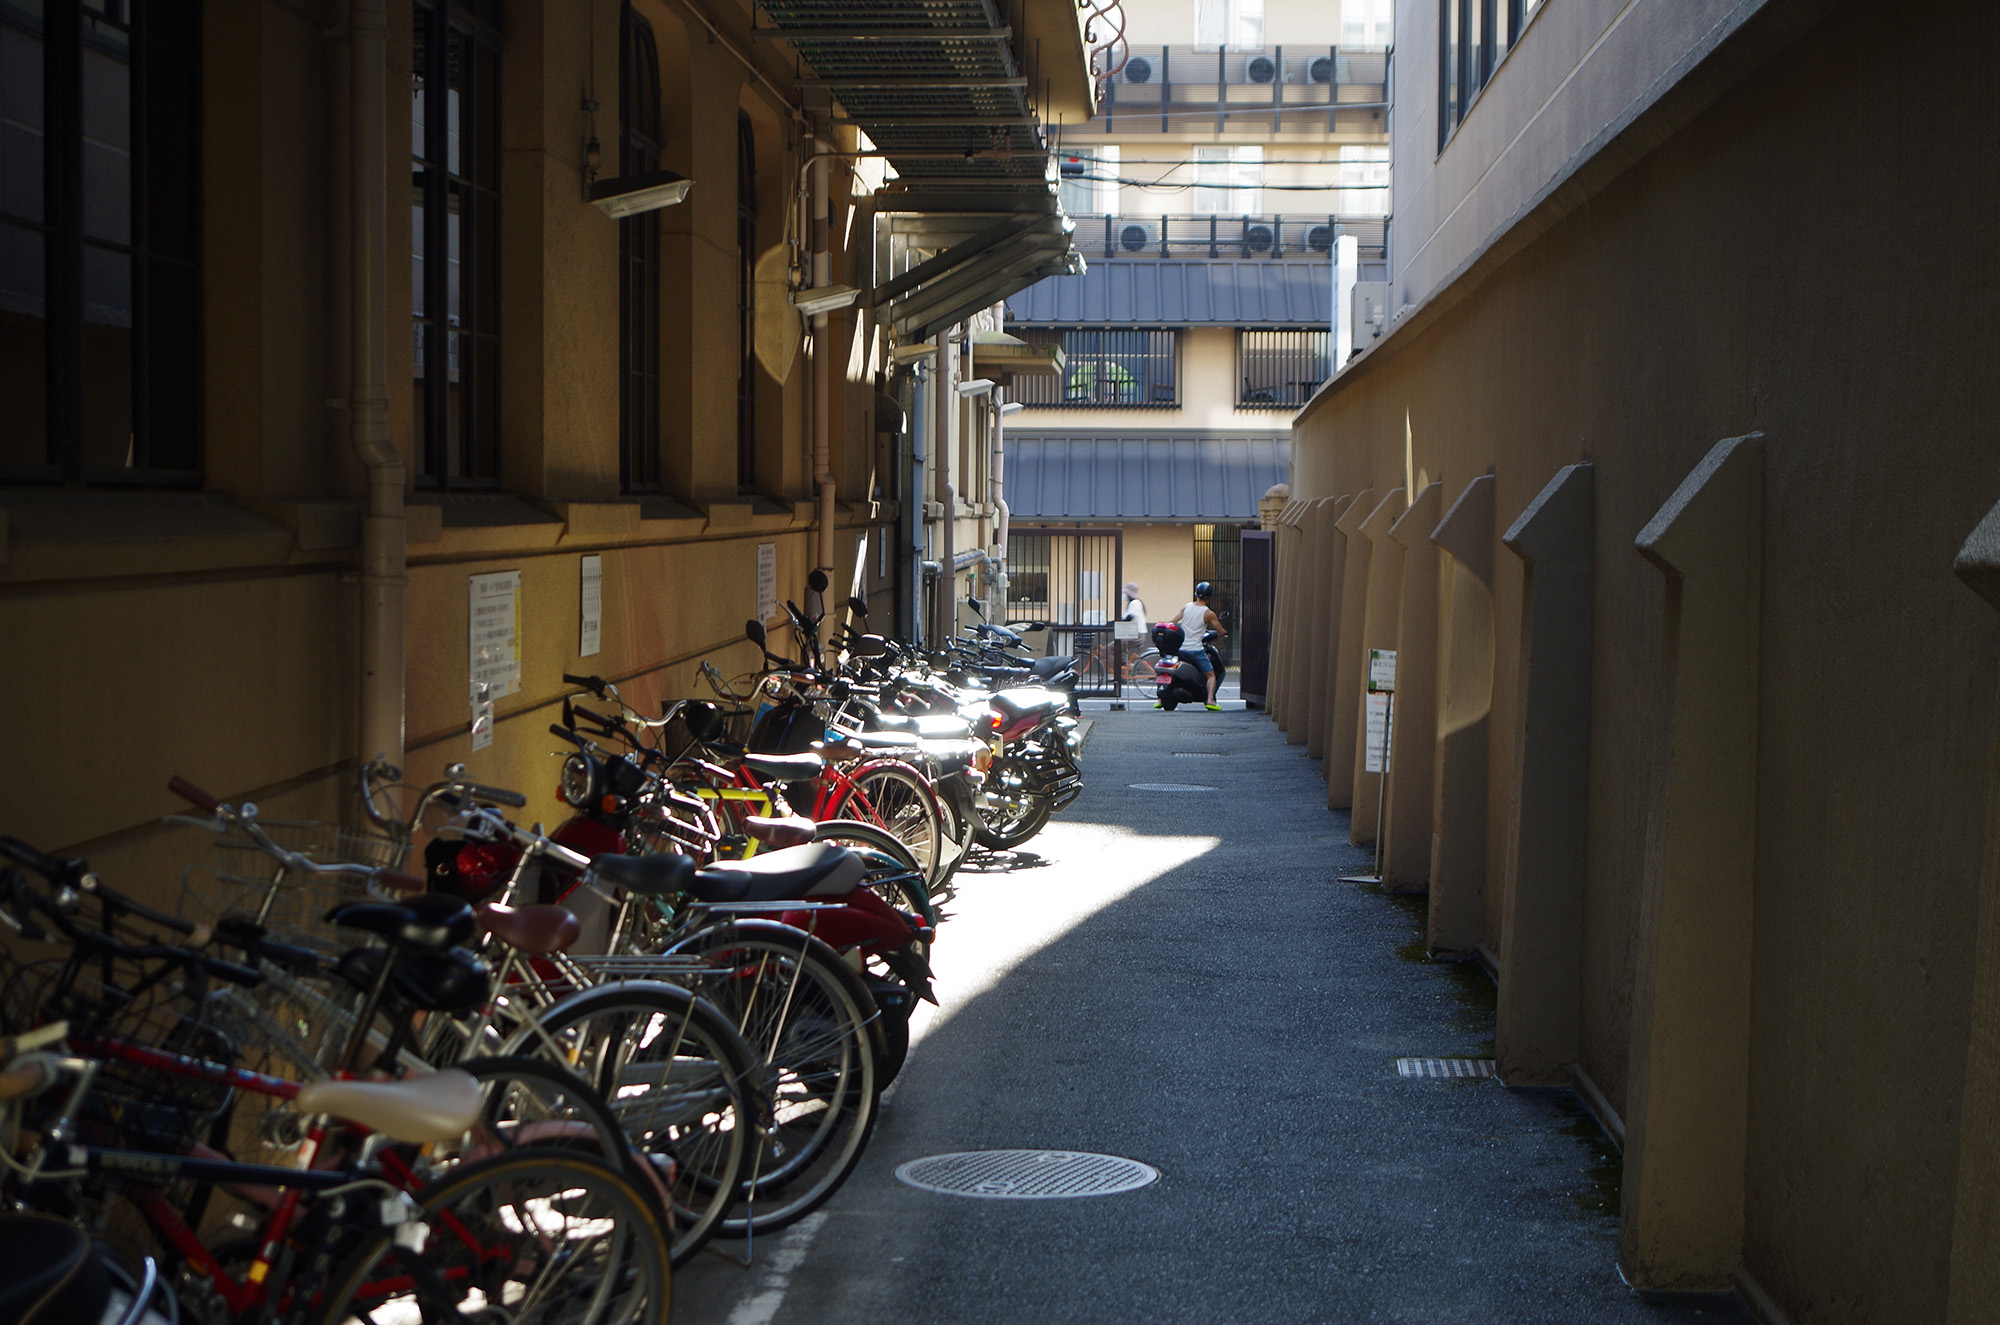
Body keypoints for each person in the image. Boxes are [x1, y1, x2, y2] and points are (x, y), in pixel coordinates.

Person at [1175, 581, 1227, 711]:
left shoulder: (1185, 607)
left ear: (1196, 594)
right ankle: (1210, 700)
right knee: (1211, 675)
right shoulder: (1208, 613)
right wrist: (1223, 632)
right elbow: (1220, 630)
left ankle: (1160, 699)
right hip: (1195, 650)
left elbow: (1173, 621)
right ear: (1209, 597)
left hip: (1181, 648)